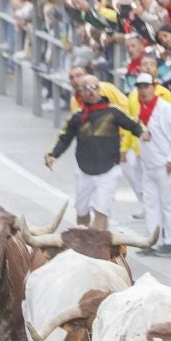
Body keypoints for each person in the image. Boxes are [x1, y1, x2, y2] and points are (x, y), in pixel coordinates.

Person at [45, 76, 144, 231]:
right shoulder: (77, 116)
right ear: (81, 92)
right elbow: (65, 138)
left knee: (101, 211)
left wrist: (143, 133)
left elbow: (133, 125)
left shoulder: (113, 112)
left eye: (94, 87)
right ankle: (82, 243)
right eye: (86, 88)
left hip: (109, 169)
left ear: (100, 89)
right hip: (84, 170)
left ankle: (96, 248)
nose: (91, 92)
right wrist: (53, 155)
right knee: (81, 211)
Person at [131, 72, 171, 258]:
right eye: (140, 87)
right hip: (150, 165)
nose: (143, 90)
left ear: (153, 87)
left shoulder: (164, 108)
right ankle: (152, 241)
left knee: (169, 204)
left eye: (146, 86)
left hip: (166, 164)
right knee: (151, 205)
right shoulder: (141, 109)